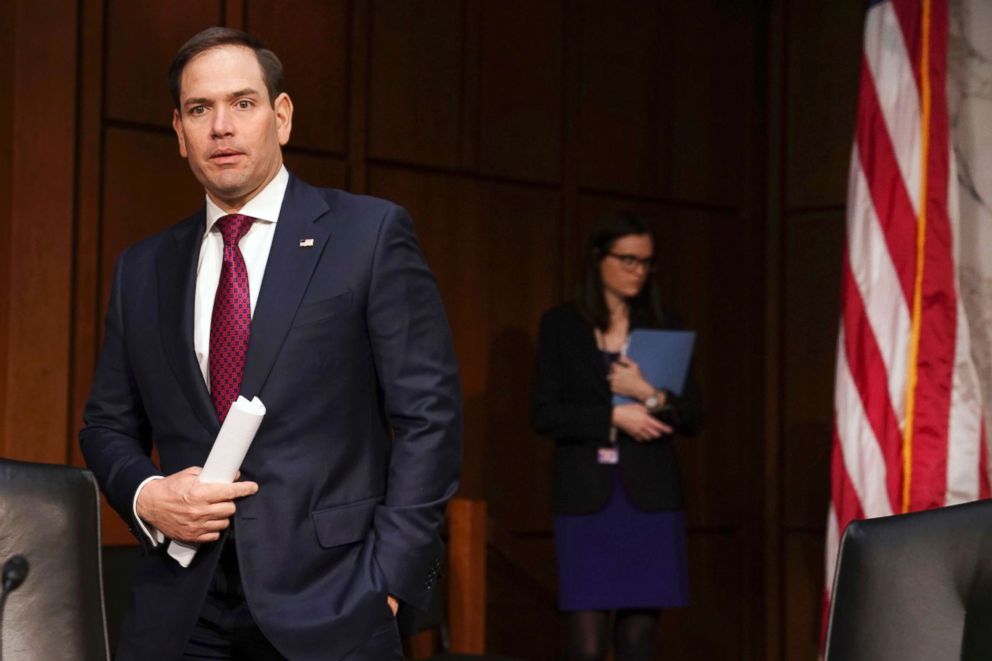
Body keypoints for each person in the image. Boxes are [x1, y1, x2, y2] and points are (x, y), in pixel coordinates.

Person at [79, 27, 461, 660]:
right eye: (199, 109)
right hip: (180, 610)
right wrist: (149, 496)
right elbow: (106, 425)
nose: (221, 127)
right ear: (179, 131)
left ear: (281, 117)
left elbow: (430, 417)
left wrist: (391, 581)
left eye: (243, 103)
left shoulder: (368, 234)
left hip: (334, 600)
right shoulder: (142, 268)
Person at [531, 212, 703, 661]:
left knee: (638, 640)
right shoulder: (561, 326)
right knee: (586, 646)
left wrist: (647, 394)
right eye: (628, 259)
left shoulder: (664, 324)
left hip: (649, 498)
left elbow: (692, 416)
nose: (638, 271)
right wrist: (612, 417)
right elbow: (544, 414)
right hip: (586, 499)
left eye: (646, 262)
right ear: (598, 258)